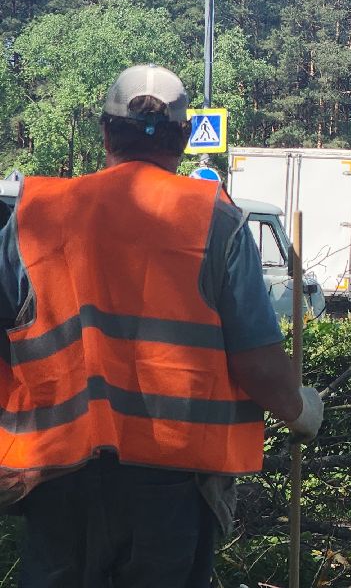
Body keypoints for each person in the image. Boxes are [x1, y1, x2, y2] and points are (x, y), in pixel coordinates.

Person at [0, 64, 324, 587]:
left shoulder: (38, 215)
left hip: (56, 479)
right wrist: (298, 409)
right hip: (172, 486)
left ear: (105, 133)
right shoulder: (217, 221)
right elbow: (258, 363)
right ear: (183, 136)